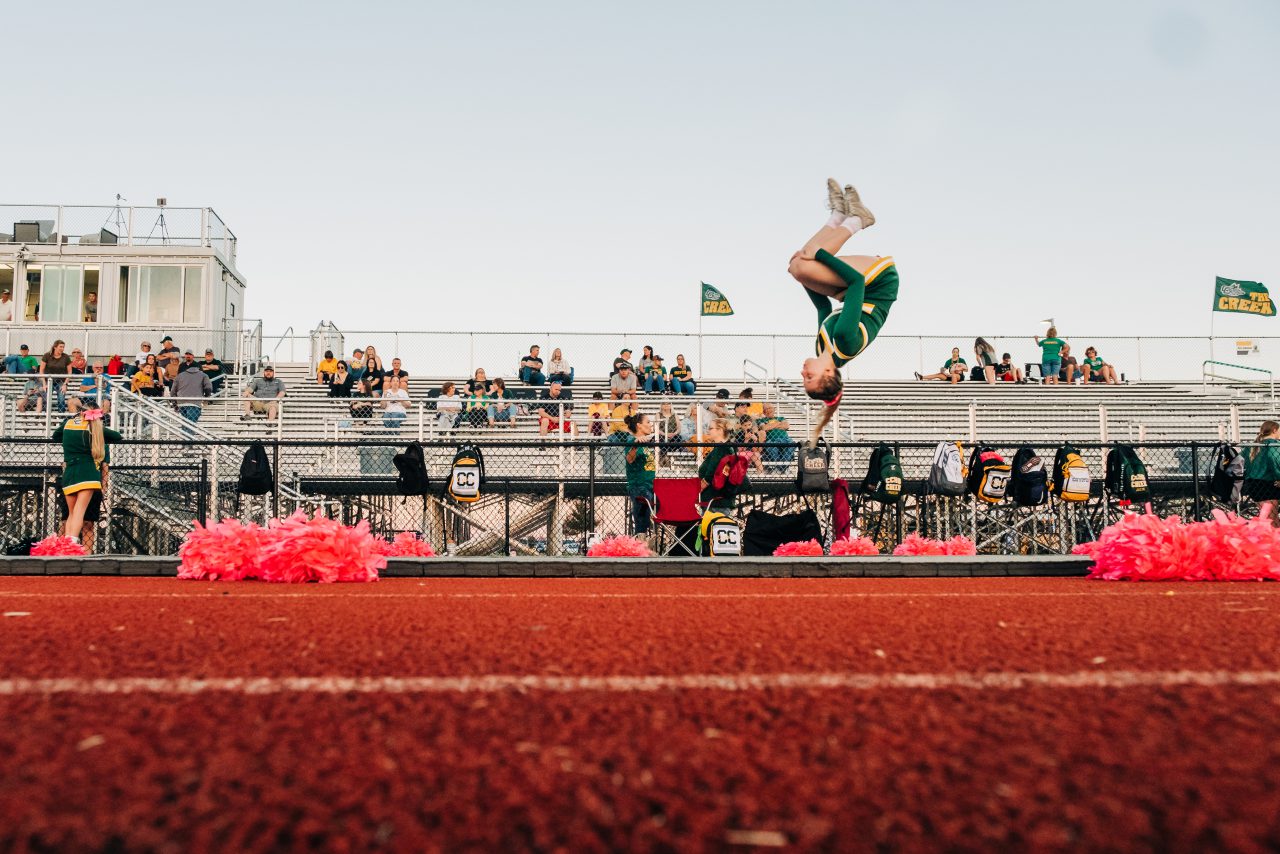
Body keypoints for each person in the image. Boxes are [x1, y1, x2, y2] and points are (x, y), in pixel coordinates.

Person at [787, 179, 897, 445]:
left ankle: (837, 215)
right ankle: (858, 220)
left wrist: (804, 280)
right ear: (827, 374)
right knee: (806, 262)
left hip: (852, 293)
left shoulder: (822, 348)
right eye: (809, 377)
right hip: (879, 283)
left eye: (804, 379)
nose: (803, 373)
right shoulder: (845, 340)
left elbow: (823, 306)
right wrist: (821, 256)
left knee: (796, 266)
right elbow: (857, 282)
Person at [52, 403, 122, 543]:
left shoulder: (68, 423)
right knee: (79, 512)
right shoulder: (94, 427)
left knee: (71, 514)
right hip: (88, 473)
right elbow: (117, 436)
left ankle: (66, 545)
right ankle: (71, 544)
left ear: (81, 411)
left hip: (69, 472)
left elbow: (55, 436)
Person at [622, 412, 657, 539]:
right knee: (641, 523)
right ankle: (640, 548)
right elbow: (629, 459)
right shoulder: (631, 440)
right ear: (639, 426)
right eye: (647, 422)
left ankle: (648, 544)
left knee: (649, 521)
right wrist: (635, 445)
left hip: (651, 486)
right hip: (639, 486)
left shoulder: (647, 443)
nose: (650, 425)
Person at [697, 418, 741, 511]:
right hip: (718, 499)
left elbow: (710, 474)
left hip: (715, 501)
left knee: (713, 524)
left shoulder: (722, 449)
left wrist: (697, 491)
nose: (708, 431)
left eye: (710, 428)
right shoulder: (727, 447)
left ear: (720, 430)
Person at [1245, 421, 1280, 526]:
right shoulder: (1274, 445)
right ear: (1274, 430)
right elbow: (1275, 463)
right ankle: (1274, 540)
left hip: (1254, 484)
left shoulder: (1252, 446)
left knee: (1267, 518)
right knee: (1271, 519)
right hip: (1268, 484)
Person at [171, 359, 213, 424]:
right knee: (191, 425)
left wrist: (175, 404)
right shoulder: (203, 375)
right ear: (199, 368)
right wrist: (206, 398)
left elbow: (173, 391)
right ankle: (187, 434)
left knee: (185, 424)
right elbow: (208, 388)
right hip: (195, 403)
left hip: (181, 403)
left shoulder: (179, 375)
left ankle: (184, 434)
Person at [41, 340, 72, 411]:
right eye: (60, 347)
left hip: (61, 381)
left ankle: (60, 417)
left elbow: (70, 371)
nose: (62, 348)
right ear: (55, 347)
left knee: (61, 398)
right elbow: (41, 370)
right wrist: (44, 383)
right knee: (46, 399)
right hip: (48, 380)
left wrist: (65, 384)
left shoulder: (66, 357)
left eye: (63, 347)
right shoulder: (47, 355)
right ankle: (45, 416)